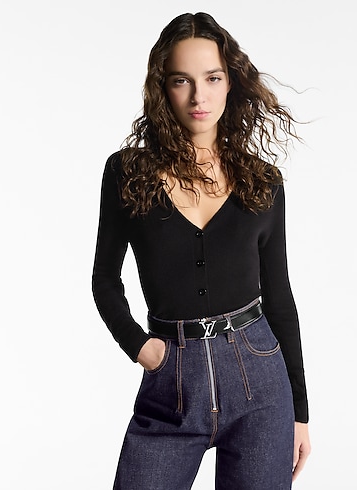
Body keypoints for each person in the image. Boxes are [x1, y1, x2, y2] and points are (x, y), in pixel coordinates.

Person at [92, 12, 310, 490]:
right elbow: (104, 278)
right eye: (181, 80)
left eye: (212, 78)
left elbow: (279, 297)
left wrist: (300, 412)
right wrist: (139, 346)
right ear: (162, 88)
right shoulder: (128, 173)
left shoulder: (262, 182)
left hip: (261, 381)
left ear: (230, 82)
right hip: (171, 379)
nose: (198, 96)